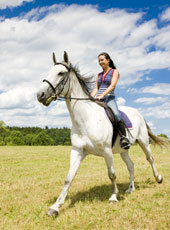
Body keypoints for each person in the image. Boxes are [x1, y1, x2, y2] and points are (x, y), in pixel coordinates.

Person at [91, 52, 131, 150]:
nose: (100, 62)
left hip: (109, 99)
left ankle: (124, 138)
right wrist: (91, 97)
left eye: (102, 60)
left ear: (108, 60)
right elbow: (96, 88)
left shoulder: (114, 72)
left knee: (116, 114)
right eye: (99, 60)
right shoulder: (98, 75)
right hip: (98, 99)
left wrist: (102, 95)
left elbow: (112, 86)